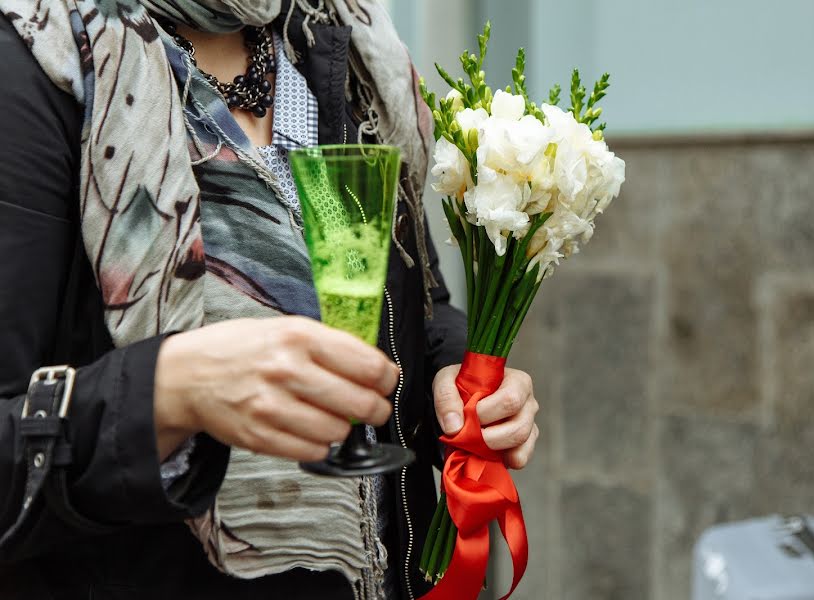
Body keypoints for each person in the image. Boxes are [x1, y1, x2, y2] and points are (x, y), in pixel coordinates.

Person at [0, 1, 540, 599]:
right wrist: (165, 395)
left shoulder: (349, 50)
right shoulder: (32, 64)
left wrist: (453, 373)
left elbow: (413, 302)